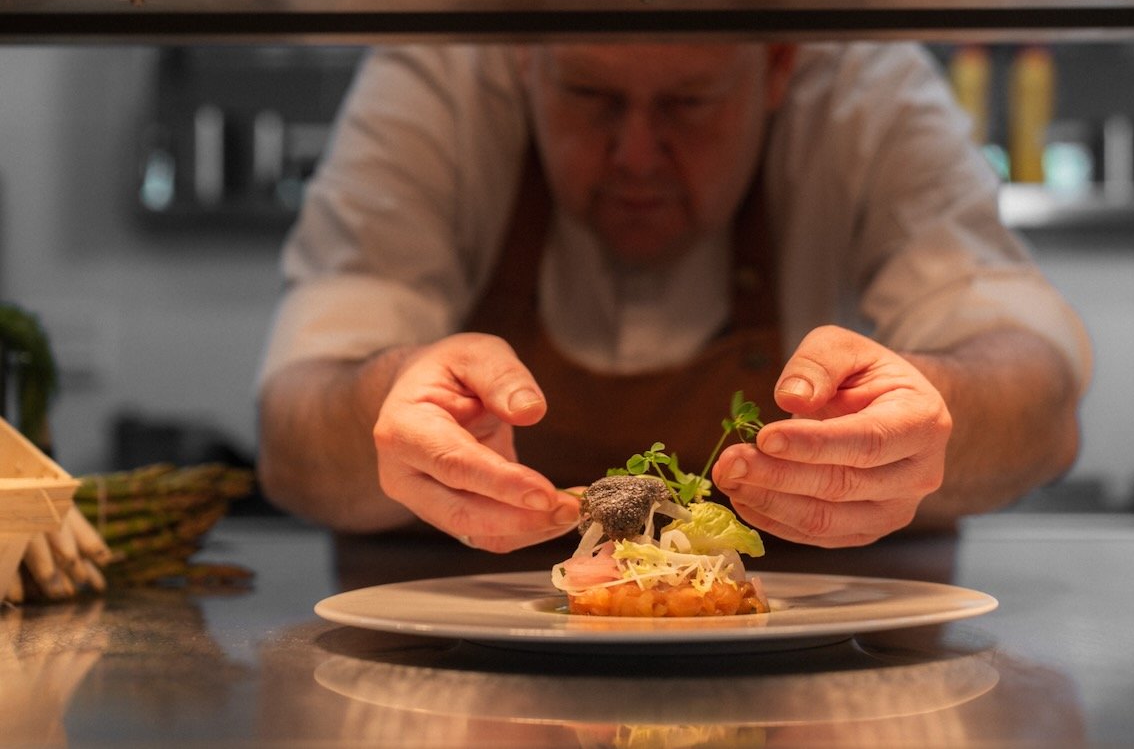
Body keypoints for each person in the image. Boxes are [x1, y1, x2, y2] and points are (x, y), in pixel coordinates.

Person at [255, 41, 1091, 554]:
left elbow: (1042, 405)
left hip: (830, 663)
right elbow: (291, 440)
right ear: (524, 60)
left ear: (778, 66)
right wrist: (382, 397)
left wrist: (934, 415)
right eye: (589, 96)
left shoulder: (861, 78)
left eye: (691, 104)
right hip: (447, 667)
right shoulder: (441, 66)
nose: (636, 155)